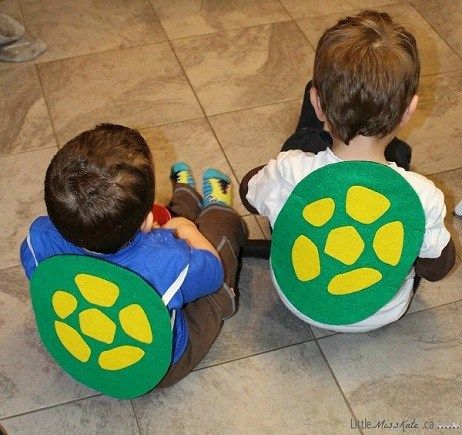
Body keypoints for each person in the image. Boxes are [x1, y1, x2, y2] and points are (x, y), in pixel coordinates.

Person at [240, 10, 456, 331]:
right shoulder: (422, 195)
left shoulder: (291, 169)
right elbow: (438, 267)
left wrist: (276, 174)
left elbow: (248, 193)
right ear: (408, 111)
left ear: (317, 104)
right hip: (382, 311)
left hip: (298, 300)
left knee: (284, 187)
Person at [20, 123, 247, 387]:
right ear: (147, 221)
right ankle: (216, 209)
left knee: (159, 223)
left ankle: (186, 198)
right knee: (216, 238)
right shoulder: (168, 259)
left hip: (85, 351)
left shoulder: (38, 237)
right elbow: (212, 271)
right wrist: (184, 230)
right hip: (160, 367)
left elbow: (36, 273)